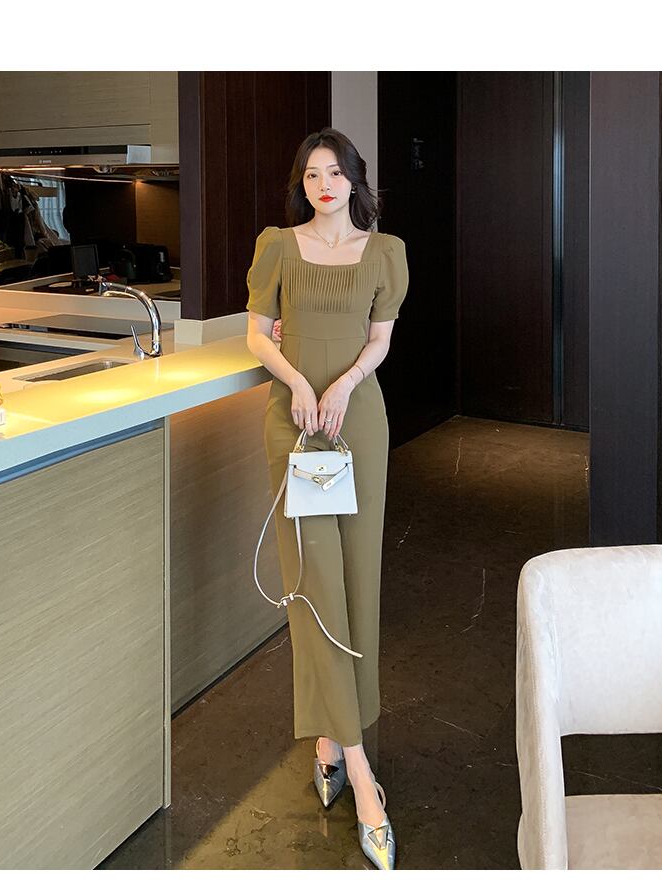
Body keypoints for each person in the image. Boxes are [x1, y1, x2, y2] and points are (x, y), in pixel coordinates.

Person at [245, 126, 409, 870]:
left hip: (358, 425)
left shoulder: (385, 252)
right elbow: (258, 336)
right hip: (296, 427)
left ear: (354, 180)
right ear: (302, 184)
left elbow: (379, 341)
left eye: (334, 173)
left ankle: (329, 738)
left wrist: (340, 386)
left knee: (357, 584)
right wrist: (300, 384)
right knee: (313, 587)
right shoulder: (277, 246)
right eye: (311, 175)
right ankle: (362, 768)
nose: (323, 185)